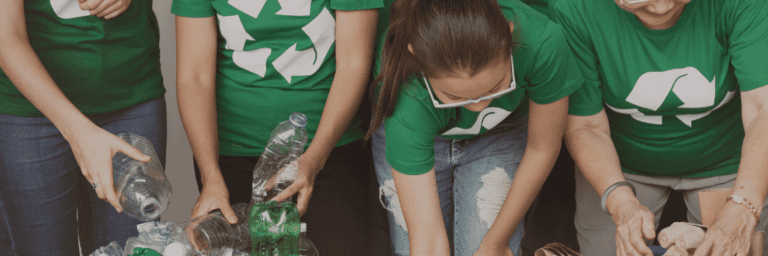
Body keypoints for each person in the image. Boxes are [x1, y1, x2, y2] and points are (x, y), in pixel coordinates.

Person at [550, 0, 768, 254]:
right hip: (619, 164)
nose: (661, 7)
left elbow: (762, 109)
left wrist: (744, 205)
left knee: (733, 245)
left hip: (725, 161)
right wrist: (620, 203)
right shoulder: (574, 7)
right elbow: (585, 126)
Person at [368, 0, 584, 255]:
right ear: (418, 58)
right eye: (455, 97)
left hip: (501, 131)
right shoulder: (405, 88)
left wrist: (496, 242)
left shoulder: (542, 42)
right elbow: (427, 239)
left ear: (510, 33)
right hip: (420, 135)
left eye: (494, 88)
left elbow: (541, 148)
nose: (478, 108)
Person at [171, 0, 382, 254]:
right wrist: (210, 175)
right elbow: (194, 75)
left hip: (329, 151)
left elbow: (354, 64)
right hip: (228, 156)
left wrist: (314, 159)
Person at [0, 0, 167, 254]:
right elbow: (5, 35)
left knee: (134, 245)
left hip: (130, 88)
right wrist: (80, 134)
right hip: (29, 109)